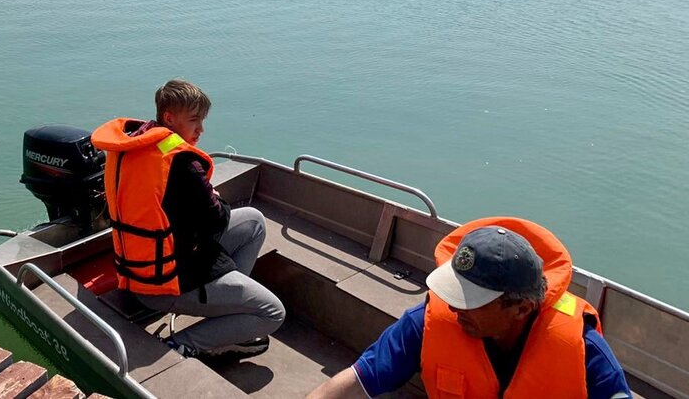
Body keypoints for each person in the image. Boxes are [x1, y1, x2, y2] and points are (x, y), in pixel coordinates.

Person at [305, 217, 632, 399]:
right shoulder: (428, 324)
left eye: (469, 300)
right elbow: (353, 384)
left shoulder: (584, 351)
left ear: (520, 308)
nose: (453, 307)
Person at [91, 79, 286, 359]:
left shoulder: (135, 144)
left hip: (142, 269)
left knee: (253, 222)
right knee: (272, 312)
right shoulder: (181, 163)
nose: (200, 129)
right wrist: (215, 198)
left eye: (202, 120)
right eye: (194, 120)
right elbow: (216, 220)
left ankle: (226, 309)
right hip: (167, 283)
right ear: (169, 117)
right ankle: (184, 343)